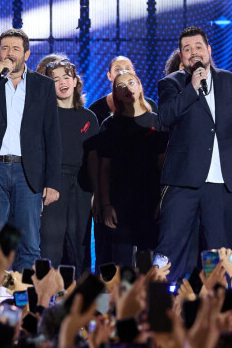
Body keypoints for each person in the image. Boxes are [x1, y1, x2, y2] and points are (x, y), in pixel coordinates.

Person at [0, 28, 61, 270]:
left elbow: (52, 134)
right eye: (5, 48)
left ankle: (25, 300)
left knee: (29, 242)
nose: (10, 53)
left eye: (16, 49)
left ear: (26, 54)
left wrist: (53, 181)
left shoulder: (44, 85)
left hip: (28, 171)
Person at [156, 26, 232, 281]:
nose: (194, 53)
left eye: (198, 47)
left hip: (220, 183)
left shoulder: (228, 81)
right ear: (181, 55)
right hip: (182, 182)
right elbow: (166, 117)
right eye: (187, 49)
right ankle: (162, 307)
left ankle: (219, 305)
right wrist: (192, 88)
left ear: (209, 50)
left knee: (218, 251)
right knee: (171, 247)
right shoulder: (171, 83)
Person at [98, 71, 167, 267]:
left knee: (148, 263)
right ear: (115, 94)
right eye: (121, 86)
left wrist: (162, 201)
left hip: (149, 200)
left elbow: (163, 165)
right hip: (120, 202)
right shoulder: (110, 125)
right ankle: (124, 298)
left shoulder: (157, 122)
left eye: (131, 83)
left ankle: (149, 298)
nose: (127, 88)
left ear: (139, 86)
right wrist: (105, 205)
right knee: (122, 264)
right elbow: (104, 168)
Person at [40, 58, 98, 274]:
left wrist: (95, 193)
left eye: (66, 76)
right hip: (54, 184)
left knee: (80, 245)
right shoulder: (44, 117)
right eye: (55, 79)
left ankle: (82, 300)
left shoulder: (89, 117)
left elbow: (95, 160)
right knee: (51, 246)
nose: (62, 82)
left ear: (75, 81)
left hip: (82, 187)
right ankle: (45, 299)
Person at [88, 56, 157, 126]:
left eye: (128, 69)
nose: (123, 73)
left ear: (134, 74)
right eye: (117, 70)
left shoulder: (151, 106)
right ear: (109, 76)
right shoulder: (95, 110)